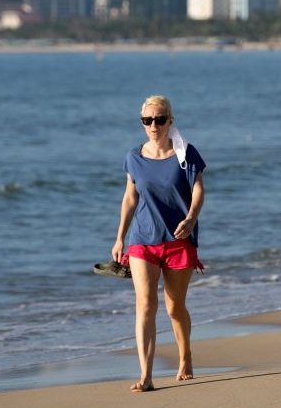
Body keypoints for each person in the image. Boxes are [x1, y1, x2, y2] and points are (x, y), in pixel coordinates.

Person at [111, 95, 206, 392]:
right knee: (145, 304)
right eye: (148, 120)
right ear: (142, 122)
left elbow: (199, 189)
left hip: (178, 240)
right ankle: (146, 375)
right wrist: (120, 237)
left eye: (160, 119)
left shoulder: (186, 154)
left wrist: (191, 218)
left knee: (175, 308)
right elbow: (130, 197)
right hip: (143, 241)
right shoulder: (134, 157)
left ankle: (185, 356)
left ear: (170, 121)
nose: (154, 125)